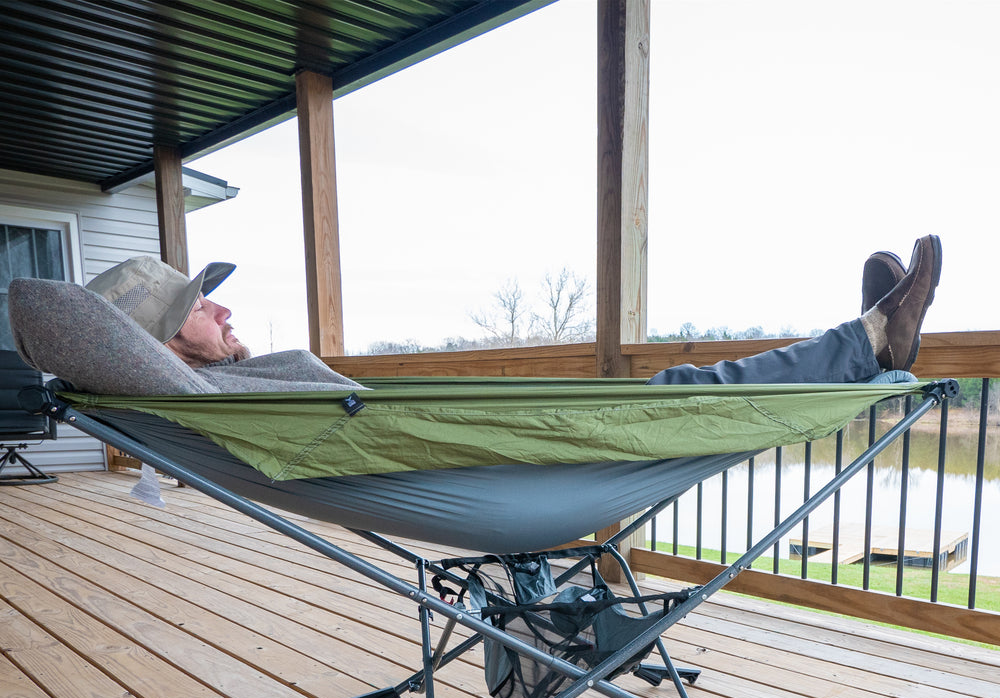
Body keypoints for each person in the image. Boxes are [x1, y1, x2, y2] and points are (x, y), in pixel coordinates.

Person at [85, 235, 942, 389]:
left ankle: (869, 342)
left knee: (685, 383)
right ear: (165, 340)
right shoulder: (222, 390)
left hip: (467, 450)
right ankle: (871, 340)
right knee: (690, 388)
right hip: (478, 457)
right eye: (200, 307)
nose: (223, 308)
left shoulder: (207, 384)